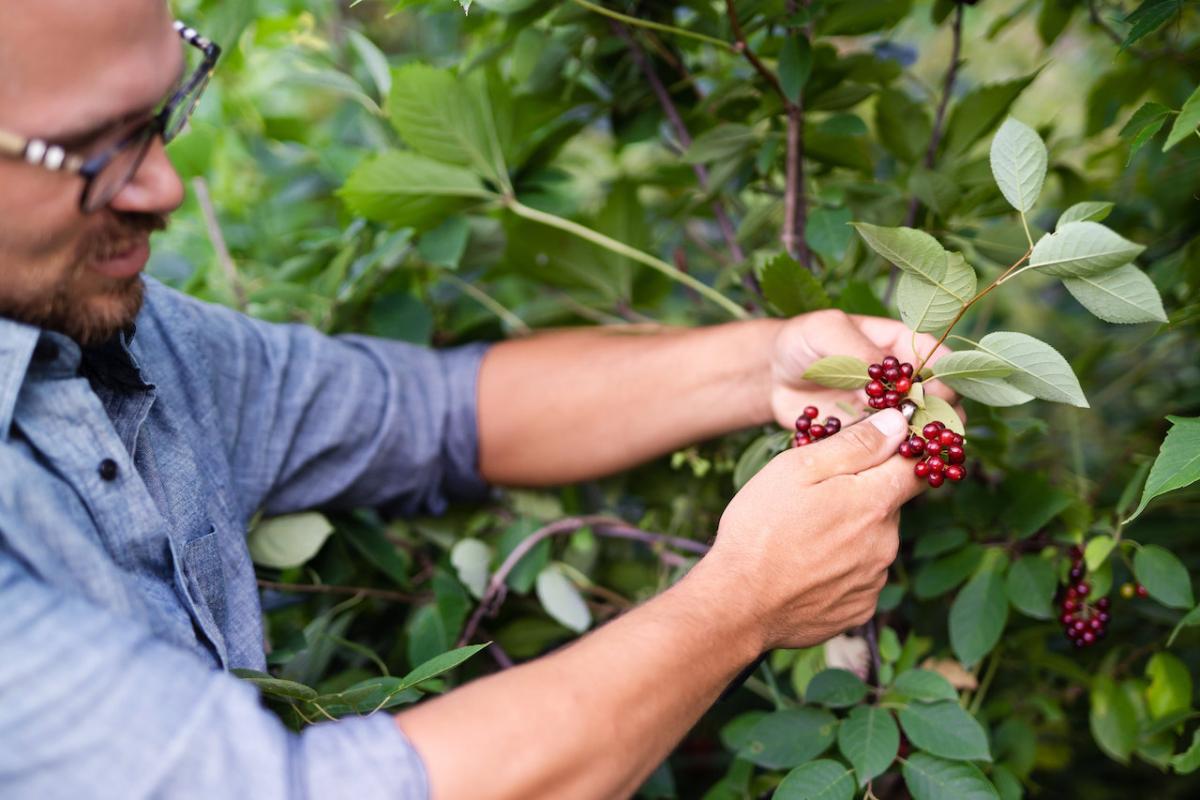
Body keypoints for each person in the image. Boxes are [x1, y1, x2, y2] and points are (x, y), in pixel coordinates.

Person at [0, 3, 952, 798]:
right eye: (92, 148)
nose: (163, 183)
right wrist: (742, 603)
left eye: (164, 108)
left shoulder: (122, 335)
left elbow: (436, 411)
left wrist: (764, 365)